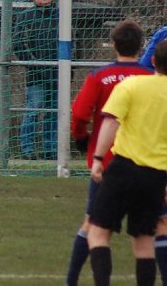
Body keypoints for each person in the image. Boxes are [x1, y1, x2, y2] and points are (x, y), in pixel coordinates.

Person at [65, 20, 152, 286]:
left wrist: (82, 139)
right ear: (142, 45)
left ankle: (71, 280)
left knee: (94, 226)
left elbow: (79, 114)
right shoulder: (152, 79)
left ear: (114, 45)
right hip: (148, 162)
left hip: (107, 164)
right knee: (152, 231)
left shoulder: (99, 77)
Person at [87, 39, 167, 286]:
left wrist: (99, 159)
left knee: (98, 233)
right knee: (144, 242)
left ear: (152, 60)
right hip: (156, 175)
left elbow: (111, 122)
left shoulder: (132, 85)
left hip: (124, 168)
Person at [14, 0, 60, 160]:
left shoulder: (62, 15)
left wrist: (71, 66)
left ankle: (51, 150)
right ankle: (28, 150)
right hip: (36, 75)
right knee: (33, 110)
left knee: (54, 112)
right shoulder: (26, 16)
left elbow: (76, 42)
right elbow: (18, 44)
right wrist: (34, 64)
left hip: (59, 74)